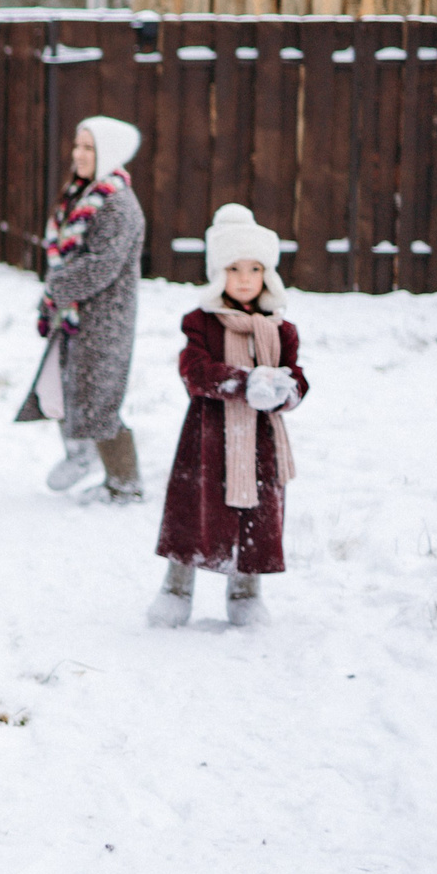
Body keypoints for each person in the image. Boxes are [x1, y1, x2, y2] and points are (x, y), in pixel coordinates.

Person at [148, 204, 307, 628]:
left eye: (254, 269)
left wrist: (284, 391)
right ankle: (176, 590)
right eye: (234, 269)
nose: (245, 278)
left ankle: (245, 594)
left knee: (254, 518)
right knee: (195, 514)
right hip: (208, 439)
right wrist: (242, 382)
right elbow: (194, 371)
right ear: (219, 273)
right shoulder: (201, 323)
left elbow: (297, 376)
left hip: (260, 445)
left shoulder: (281, 330)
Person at [15, 116, 146, 502]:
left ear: (109, 152)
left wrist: (55, 289)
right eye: (77, 146)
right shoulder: (82, 195)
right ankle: (80, 454)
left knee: (100, 400)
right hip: (74, 315)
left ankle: (124, 484)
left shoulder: (118, 204)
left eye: (89, 148)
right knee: (60, 386)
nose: (78, 154)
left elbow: (101, 264)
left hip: (104, 319)